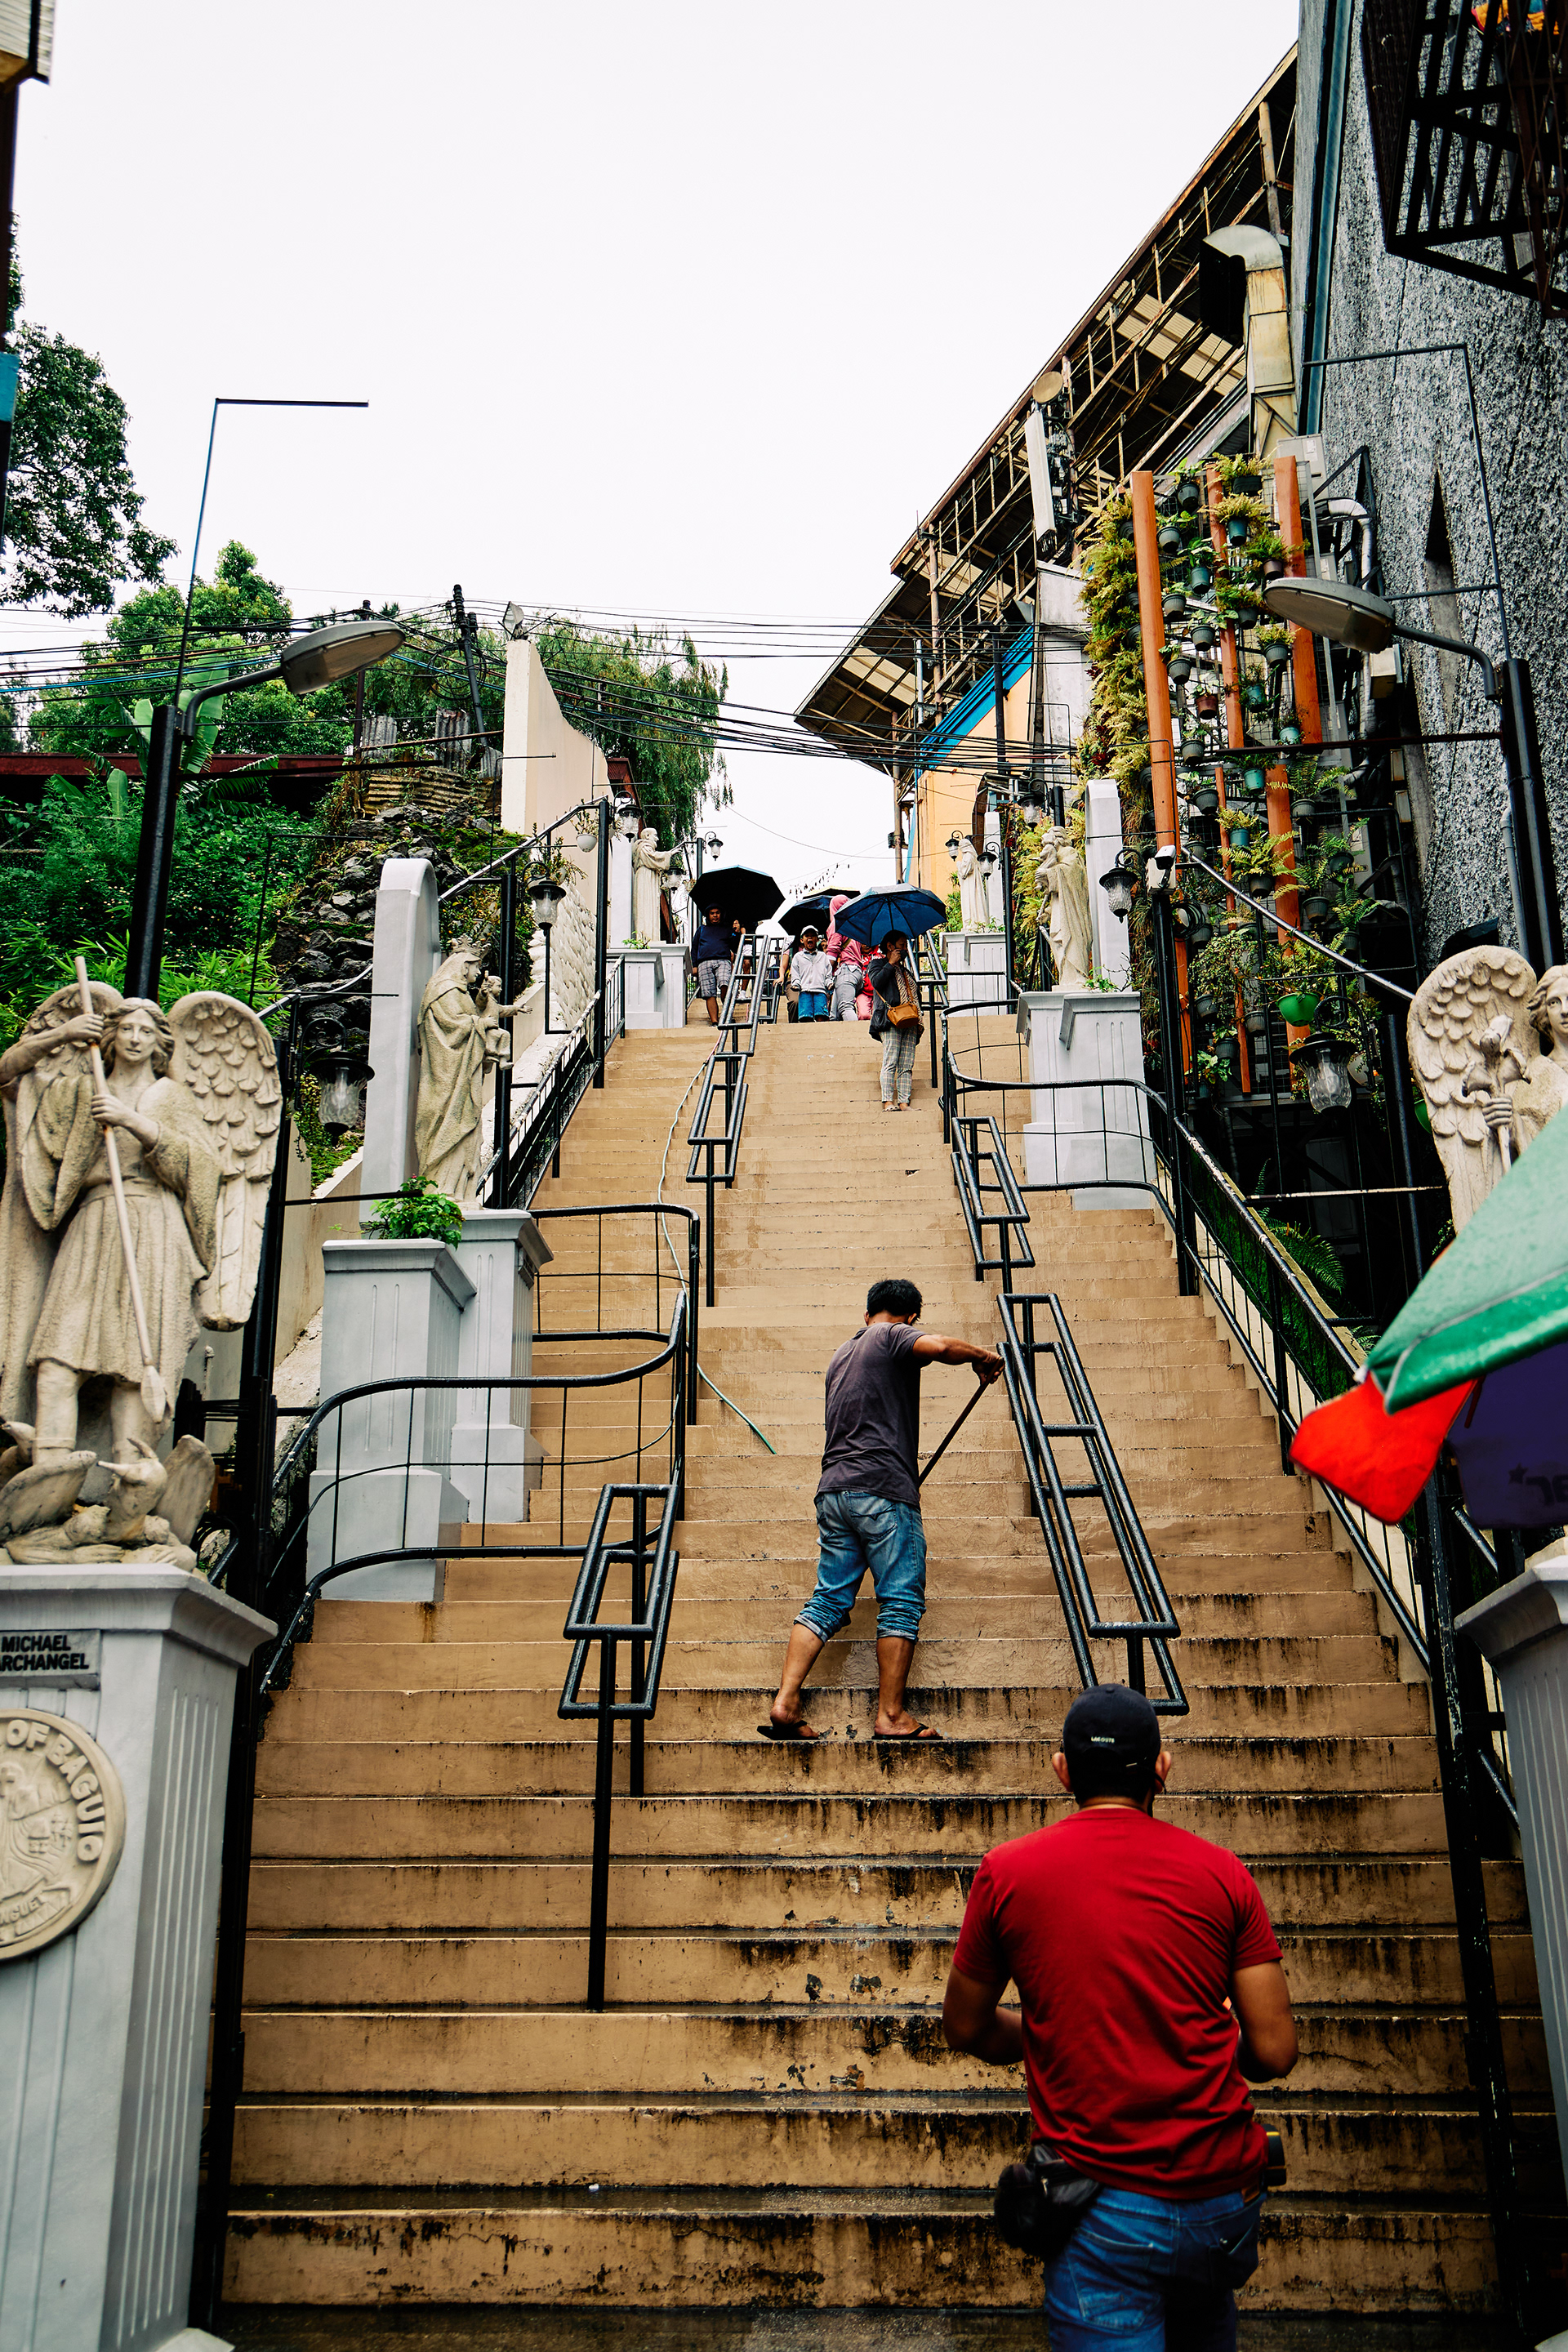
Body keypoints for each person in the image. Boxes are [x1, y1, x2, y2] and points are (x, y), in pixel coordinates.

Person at [943, 1683, 1298, 2352]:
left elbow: (965, 2026)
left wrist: (1051, 2031)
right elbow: (1275, 2051)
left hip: (1101, 2203)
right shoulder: (1224, 1874)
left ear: (1063, 1771)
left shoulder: (1007, 1873)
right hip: (1223, 2197)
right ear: (1161, 1769)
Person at [763, 1276, 1002, 1744]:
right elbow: (937, 1346)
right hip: (882, 1494)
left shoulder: (841, 1354)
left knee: (828, 1598)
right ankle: (891, 1716)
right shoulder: (892, 1336)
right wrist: (982, 1356)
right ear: (911, 1315)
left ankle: (786, 1701)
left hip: (834, 1491)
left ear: (866, 1312)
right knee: (901, 1599)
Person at [870, 933, 922, 1110]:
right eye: (902, 945)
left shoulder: (905, 970)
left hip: (910, 1020)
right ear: (891, 946)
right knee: (891, 1060)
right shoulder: (877, 964)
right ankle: (887, 1101)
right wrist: (890, 963)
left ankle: (904, 1102)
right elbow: (876, 983)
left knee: (906, 1063)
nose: (906, 949)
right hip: (890, 1019)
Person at [693, 903, 740, 1027]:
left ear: (721, 914)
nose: (715, 915)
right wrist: (694, 965)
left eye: (717, 913)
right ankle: (714, 1021)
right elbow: (695, 948)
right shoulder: (701, 929)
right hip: (704, 962)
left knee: (725, 984)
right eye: (712, 913)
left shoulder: (727, 929)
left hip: (723, 960)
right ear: (708, 915)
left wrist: (736, 932)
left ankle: (727, 1015)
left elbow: (735, 947)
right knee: (709, 993)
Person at [787, 925, 834, 1022]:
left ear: (817, 939)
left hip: (820, 990)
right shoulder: (798, 957)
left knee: (821, 1016)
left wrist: (829, 983)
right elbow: (795, 973)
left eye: (813, 936)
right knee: (805, 1017)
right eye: (807, 936)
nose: (810, 938)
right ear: (801, 940)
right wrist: (796, 984)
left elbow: (828, 974)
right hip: (805, 990)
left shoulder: (823, 956)